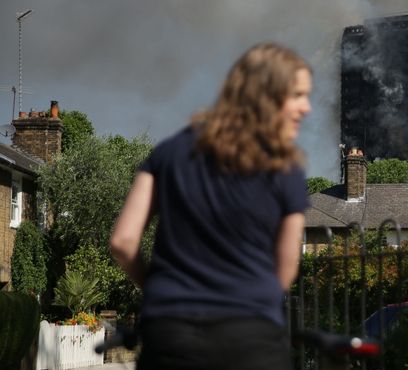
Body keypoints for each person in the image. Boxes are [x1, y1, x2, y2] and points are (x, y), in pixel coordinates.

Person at [109, 43, 312, 370]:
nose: (307, 107)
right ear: (267, 95)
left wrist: (162, 290)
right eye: (298, 95)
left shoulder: (167, 154)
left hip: (171, 334)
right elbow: (286, 267)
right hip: (252, 338)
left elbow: (123, 241)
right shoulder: (284, 167)